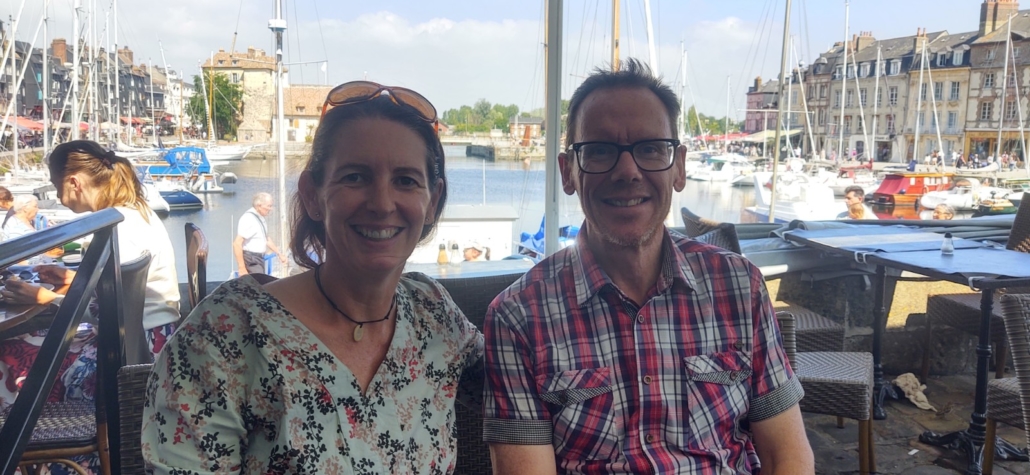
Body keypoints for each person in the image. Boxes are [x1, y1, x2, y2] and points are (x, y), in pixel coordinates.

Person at [483, 59, 813, 474]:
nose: (627, 171)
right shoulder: (518, 316)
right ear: (569, 172)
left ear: (679, 167)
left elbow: (789, 456)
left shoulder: (738, 285)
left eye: (651, 149)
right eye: (599, 151)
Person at [144, 81, 483, 473]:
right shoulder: (222, 338)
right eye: (355, 177)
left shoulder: (433, 314)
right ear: (311, 194)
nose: (382, 203)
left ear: (433, 201)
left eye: (406, 180)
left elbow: (526, 388)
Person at [0, 140, 180, 423]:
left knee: (9, 352)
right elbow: (122, 291)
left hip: (128, 356)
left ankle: (29, 448)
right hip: (150, 340)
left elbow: (107, 312)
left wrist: (44, 298)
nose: (58, 196)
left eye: (55, 185)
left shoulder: (116, 228)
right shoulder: (132, 213)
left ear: (73, 182)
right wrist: (75, 278)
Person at [232, 192, 287, 275]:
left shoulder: (260, 218)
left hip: (259, 258)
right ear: (259, 206)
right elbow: (237, 243)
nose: (271, 209)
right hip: (251, 258)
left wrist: (279, 254)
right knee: (258, 284)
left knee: (261, 283)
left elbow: (266, 239)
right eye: (269, 206)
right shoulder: (248, 218)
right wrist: (242, 268)